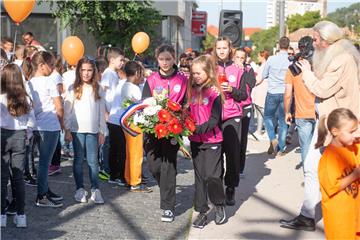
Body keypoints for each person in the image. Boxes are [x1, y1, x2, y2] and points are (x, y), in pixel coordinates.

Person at [280, 20, 360, 231]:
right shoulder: (340, 55)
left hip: (337, 125)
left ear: (326, 40)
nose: (313, 44)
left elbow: (322, 89)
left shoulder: (341, 59)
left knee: (317, 169)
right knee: (314, 168)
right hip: (332, 123)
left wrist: (307, 72)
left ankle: (310, 216)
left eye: (315, 40)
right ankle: (307, 214)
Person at [142, 44, 188, 222]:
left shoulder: (182, 79)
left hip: (172, 130)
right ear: (157, 59)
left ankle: (168, 207)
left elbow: (186, 104)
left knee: (169, 165)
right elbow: (145, 102)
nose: (165, 62)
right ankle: (166, 185)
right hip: (153, 129)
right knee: (154, 166)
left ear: (174, 58)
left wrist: (181, 116)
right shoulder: (152, 79)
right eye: (162, 59)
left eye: (168, 59)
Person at [188, 55, 226, 228]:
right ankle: (202, 212)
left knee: (212, 176)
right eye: (193, 73)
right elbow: (187, 113)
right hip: (195, 141)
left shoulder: (214, 93)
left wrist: (198, 128)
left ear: (208, 72)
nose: (195, 76)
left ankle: (219, 204)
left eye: (198, 73)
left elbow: (215, 119)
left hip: (213, 140)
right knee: (200, 178)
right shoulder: (191, 91)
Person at [64, 57, 106, 204]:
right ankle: (80, 189)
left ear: (93, 71)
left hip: (93, 130)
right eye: (83, 70)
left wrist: (102, 131)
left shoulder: (98, 88)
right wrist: (67, 129)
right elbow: (67, 111)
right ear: (78, 71)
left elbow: (101, 112)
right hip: (77, 131)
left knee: (93, 162)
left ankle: (96, 189)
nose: (86, 73)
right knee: (78, 160)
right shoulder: (72, 88)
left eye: (89, 70)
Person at [213, 37, 248, 206]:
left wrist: (232, 90)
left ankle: (231, 187)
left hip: (232, 116)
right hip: (213, 116)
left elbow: (244, 95)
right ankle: (217, 187)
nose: (221, 51)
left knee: (232, 154)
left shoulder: (238, 69)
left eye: (224, 48)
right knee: (215, 155)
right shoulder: (210, 68)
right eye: (218, 48)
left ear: (230, 50)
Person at [26, 51, 64, 208]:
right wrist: (61, 123)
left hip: (37, 126)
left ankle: (46, 190)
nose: (54, 68)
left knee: (42, 162)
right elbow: (59, 105)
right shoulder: (49, 81)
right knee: (44, 163)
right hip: (50, 126)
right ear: (41, 66)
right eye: (52, 65)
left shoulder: (29, 82)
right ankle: (41, 196)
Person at [316, 108, 360, 239]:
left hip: (354, 212)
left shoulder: (353, 146)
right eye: (351, 132)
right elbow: (331, 187)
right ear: (335, 131)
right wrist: (355, 174)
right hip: (339, 217)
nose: (355, 135)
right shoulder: (328, 158)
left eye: (356, 130)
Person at [1, 64, 36, 228]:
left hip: (3, 135)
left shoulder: (1, 97)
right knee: (18, 177)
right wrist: (26, 137)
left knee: (2, 178)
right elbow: (32, 123)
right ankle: (21, 215)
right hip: (20, 136)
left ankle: (1, 215)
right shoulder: (26, 98)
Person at [113, 61, 152, 193]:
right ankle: (135, 181)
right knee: (136, 154)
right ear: (136, 74)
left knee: (130, 152)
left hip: (128, 122)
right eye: (141, 74)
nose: (142, 77)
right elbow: (142, 103)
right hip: (135, 123)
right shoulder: (133, 88)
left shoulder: (125, 85)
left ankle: (129, 178)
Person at [284, 36, 316, 168]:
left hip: (302, 114)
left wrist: (287, 112)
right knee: (319, 149)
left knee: (306, 149)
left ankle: (308, 176)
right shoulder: (320, 65)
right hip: (319, 112)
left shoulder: (293, 68)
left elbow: (287, 94)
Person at [262, 36, 291, 156]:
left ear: (278, 45)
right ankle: (282, 148)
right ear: (288, 46)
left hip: (272, 92)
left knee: (268, 117)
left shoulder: (271, 59)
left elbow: (264, 74)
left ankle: (273, 138)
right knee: (283, 120)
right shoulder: (291, 60)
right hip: (286, 93)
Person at [102, 47, 127, 186]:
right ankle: (110, 171)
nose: (122, 63)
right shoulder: (108, 74)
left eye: (123, 60)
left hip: (115, 114)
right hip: (110, 115)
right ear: (111, 60)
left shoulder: (115, 74)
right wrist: (105, 113)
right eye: (120, 60)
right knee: (112, 146)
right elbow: (103, 94)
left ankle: (113, 172)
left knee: (114, 146)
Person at [233, 48, 257, 178]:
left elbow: (252, 83)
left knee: (242, 138)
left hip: (245, 107)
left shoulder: (248, 70)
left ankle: (240, 167)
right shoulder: (230, 69)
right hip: (233, 107)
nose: (239, 60)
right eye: (237, 57)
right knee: (232, 137)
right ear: (233, 57)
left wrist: (243, 71)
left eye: (242, 58)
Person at [49, 55, 65, 175]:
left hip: (56, 107)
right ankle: (52, 163)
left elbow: (60, 90)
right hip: (52, 108)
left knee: (56, 139)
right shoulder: (50, 75)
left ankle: (56, 164)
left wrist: (52, 94)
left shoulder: (56, 75)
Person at [251, 50, 269, 139]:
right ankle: (259, 131)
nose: (258, 57)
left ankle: (267, 130)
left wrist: (252, 81)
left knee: (262, 111)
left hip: (262, 90)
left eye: (259, 56)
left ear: (263, 56)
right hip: (259, 90)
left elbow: (259, 78)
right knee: (259, 111)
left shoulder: (264, 66)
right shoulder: (262, 65)